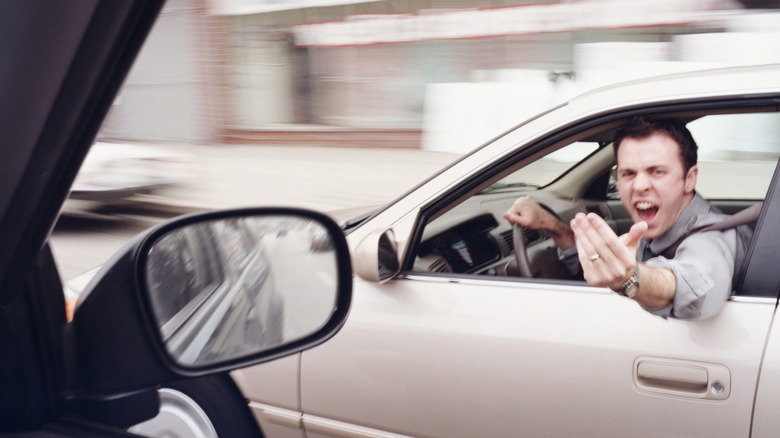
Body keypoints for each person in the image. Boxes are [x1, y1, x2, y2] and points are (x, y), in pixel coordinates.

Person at [503, 116, 752, 320]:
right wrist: (551, 225)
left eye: (657, 171)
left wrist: (630, 278)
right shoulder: (657, 224)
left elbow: (697, 290)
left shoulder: (713, 235)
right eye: (629, 173)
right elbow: (602, 265)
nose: (640, 185)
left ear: (689, 179)